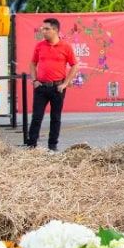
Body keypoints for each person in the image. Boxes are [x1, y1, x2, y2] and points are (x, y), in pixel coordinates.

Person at [27, 17, 79, 152]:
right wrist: (34, 81)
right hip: (41, 87)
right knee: (36, 117)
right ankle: (31, 145)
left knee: (55, 118)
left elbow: (74, 65)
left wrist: (65, 84)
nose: (43, 31)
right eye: (43, 28)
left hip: (58, 87)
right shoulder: (39, 46)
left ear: (55, 30)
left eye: (46, 29)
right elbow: (32, 63)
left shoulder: (66, 47)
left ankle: (52, 145)